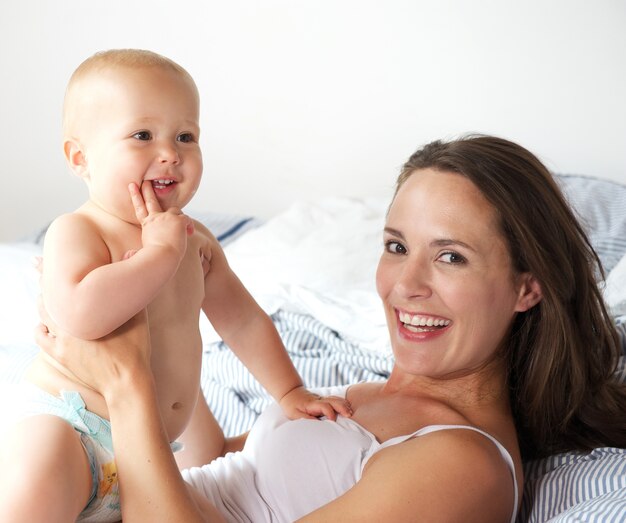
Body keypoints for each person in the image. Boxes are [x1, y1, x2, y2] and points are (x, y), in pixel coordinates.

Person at [33, 135, 626, 522]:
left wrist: (127, 384)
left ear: (528, 286)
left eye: (451, 257)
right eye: (397, 246)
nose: (406, 284)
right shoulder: (367, 395)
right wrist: (170, 328)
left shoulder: (462, 466)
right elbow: (208, 470)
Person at [0, 49, 349, 523]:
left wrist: (289, 391)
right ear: (81, 158)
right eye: (142, 135)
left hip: (153, 449)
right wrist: (159, 255)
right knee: (31, 497)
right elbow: (78, 315)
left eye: (186, 136)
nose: (170, 153)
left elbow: (242, 320)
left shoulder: (197, 241)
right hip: (73, 431)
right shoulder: (80, 231)